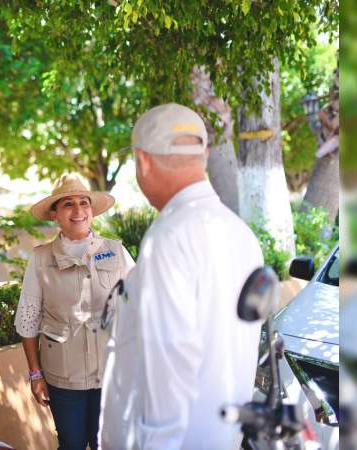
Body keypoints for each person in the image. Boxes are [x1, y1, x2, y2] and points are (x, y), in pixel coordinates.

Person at [98, 103, 264, 449]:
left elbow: (169, 359)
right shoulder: (241, 234)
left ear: (142, 160)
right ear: (203, 155)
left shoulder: (169, 237)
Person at [14, 174, 135, 450]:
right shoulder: (41, 258)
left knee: (110, 445)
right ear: (55, 214)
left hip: (112, 374)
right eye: (68, 204)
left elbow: (141, 308)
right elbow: (28, 321)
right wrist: (35, 374)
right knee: (71, 444)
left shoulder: (116, 251)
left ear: (92, 211)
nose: (78, 210)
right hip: (63, 380)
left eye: (84, 202)